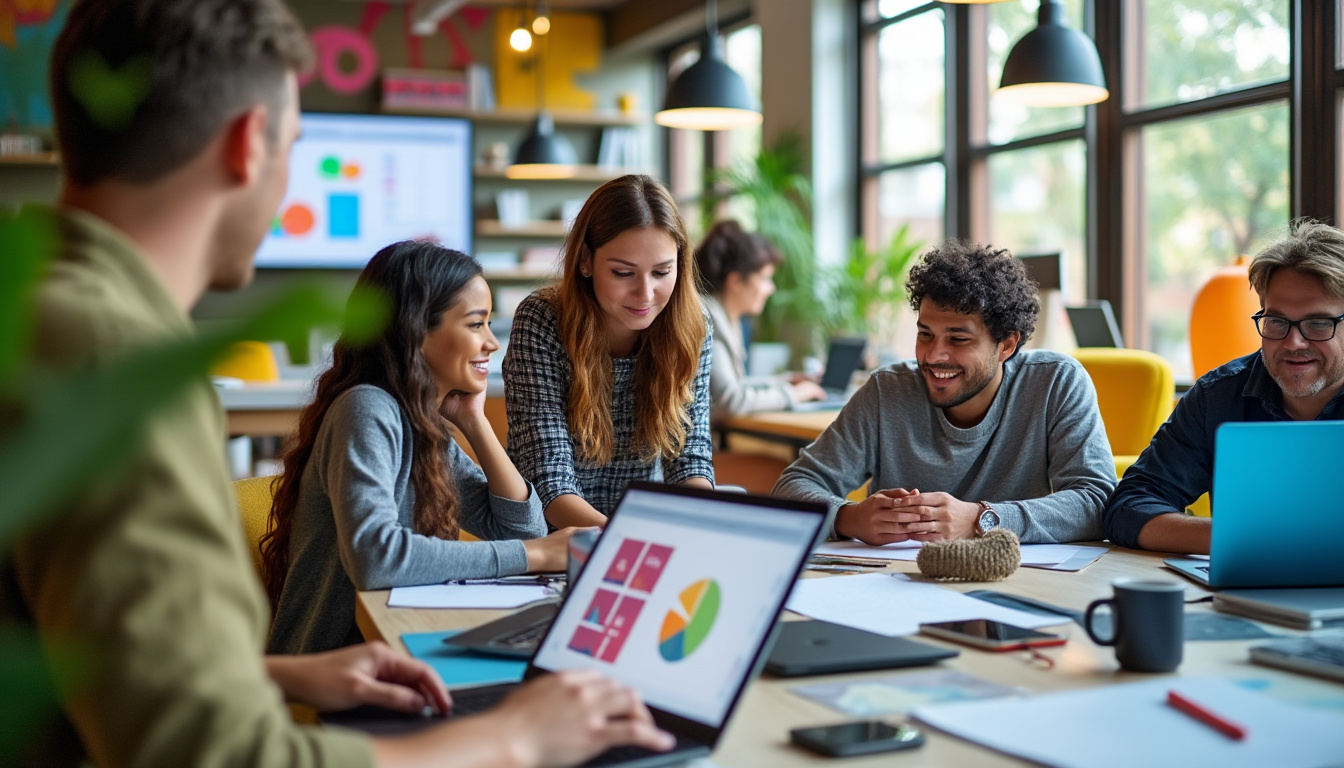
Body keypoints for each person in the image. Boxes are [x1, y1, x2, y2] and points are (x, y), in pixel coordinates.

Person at [2, 2, 671, 766]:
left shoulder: (49, 318)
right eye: (295, 146)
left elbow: (101, 674)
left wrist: (278, 674)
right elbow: (212, 753)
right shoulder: (116, 361)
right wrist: (513, 737)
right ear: (249, 143)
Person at [263, 241, 577, 656]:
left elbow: (523, 528)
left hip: (391, 644)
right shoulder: (367, 408)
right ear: (417, 332)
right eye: (476, 324)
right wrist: (534, 556)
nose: (491, 343)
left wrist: (475, 423)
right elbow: (376, 559)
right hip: (329, 665)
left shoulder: (423, 427)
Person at [774, 240, 1115, 544]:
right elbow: (793, 485)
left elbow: (1096, 502)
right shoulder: (886, 391)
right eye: (925, 335)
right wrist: (848, 517)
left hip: (1014, 583)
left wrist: (982, 519)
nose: (934, 355)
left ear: (1007, 345)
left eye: (958, 339)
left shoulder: (1055, 383)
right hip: (896, 583)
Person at [1104, 219, 1344, 554]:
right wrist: (1240, 537)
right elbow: (1128, 507)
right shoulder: (1217, 396)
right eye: (1276, 321)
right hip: (1248, 583)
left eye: (1318, 323)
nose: (1293, 342)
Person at [504, 174, 714, 528]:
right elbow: (550, 484)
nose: (645, 294)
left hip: (639, 533)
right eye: (623, 273)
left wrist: (703, 521)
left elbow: (690, 459)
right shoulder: (542, 321)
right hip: (549, 539)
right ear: (585, 260)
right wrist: (622, 542)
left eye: (662, 272)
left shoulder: (693, 325)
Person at [695, 219, 826, 421]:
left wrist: (784, 382)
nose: (771, 289)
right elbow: (729, 399)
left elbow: (736, 385)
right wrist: (792, 395)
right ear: (735, 281)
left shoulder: (728, 318)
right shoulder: (708, 319)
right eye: (765, 278)